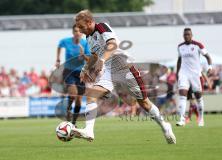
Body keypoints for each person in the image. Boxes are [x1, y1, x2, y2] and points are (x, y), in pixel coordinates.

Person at [71, 9, 176, 144]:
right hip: (109, 71)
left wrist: (102, 61)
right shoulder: (89, 38)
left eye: (81, 27)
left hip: (124, 67)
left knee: (143, 102)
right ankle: (89, 131)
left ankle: (165, 126)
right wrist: (85, 68)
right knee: (92, 94)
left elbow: (112, 45)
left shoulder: (102, 27)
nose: (79, 30)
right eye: (78, 27)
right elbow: (95, 56)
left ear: (90, 22)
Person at [176, 28, 213, 127]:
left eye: (188, 34)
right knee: (182, 96)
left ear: (192, 35)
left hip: (196, 75)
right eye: (185, 35)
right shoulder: (180, 47)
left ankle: (201, 118)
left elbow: (208, 57)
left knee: (198, 98)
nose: (186, 36)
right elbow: (179, 60)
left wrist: (210, 67)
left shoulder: (198, 45)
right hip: (184, 74)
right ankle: (181, 119)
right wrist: (177, 73)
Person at [55, 24, 91, 126]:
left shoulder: (85, 44)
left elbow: (89, 59)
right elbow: (59, 45)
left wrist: (83, 54)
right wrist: (58, 59)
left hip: (80, 73)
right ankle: (68, 110)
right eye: (75, 31)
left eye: (80, 31)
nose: (77, 33)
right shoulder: (66, 41)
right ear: (73, 32)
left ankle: (73, 123)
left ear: (82, 33)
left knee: (79, 100)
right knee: (73, 94)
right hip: (68, 71)